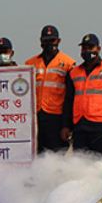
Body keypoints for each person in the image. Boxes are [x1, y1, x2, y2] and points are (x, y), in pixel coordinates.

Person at [66, 34, 102, 158]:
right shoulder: (73, 72)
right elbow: (68, 101)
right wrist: (66, 125)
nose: (87, 51)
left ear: (98, 49)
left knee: (100, 164)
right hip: (80, 125)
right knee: (80, 164)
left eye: (90, 47)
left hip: (101, 126)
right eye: (84, 48)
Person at [25, 25, 77, 153]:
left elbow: (71, 96)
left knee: (57, 155)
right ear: (41, 41)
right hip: (36, 116)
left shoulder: (69, 63)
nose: (49, 44)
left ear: (58, 41)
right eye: (46, 40)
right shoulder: (30, 63)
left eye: (52, 40)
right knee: (37, 154)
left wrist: (67, 124)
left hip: (57, 117)